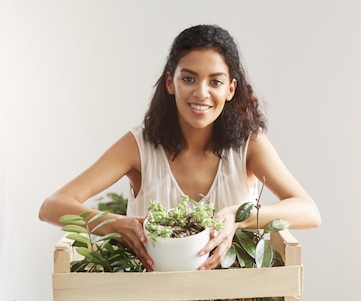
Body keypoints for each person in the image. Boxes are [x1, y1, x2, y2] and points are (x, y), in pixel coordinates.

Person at [39, 24, 321, 271]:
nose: (201, 92)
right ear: (170, 83)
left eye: (215, 82)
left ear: (230, 89)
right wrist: (116, 224)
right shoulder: (139, 145)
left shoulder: (250, 145)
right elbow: (53, 206)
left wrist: (238, 217)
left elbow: (308, 212)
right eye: (189, 78)